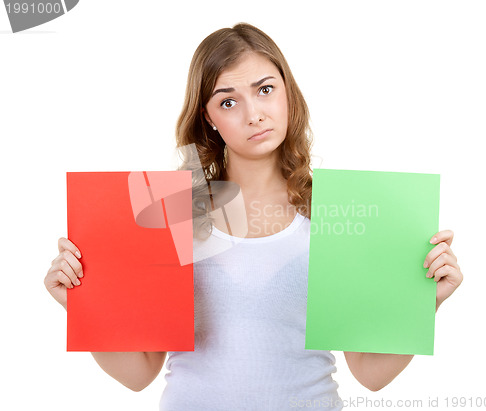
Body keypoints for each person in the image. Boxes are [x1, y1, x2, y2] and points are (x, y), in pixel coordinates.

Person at [44, 23, 464, 410]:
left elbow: (369, 373)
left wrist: (425, 302)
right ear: (209, 117)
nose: (253, 114)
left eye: (265, 90)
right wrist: (81, 305)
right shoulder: (174, 213)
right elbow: (140, 373)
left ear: (287, 92)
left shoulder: (338, 212)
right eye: (229, 101)